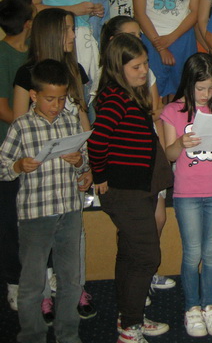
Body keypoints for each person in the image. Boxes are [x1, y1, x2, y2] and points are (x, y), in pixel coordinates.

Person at [87, 34, 173, 342]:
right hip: (126, 191)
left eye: (145, 64)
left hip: (140, 187)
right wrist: (99, 175)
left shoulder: (130, 94)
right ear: (117, 67)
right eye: (136, 66)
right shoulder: (116, 98)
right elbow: (97, 141)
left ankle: (129, 317)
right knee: (147, 255)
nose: (143, 71)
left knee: (129, 253)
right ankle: (130, 328)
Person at [1, 60, 87, 343]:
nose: (56, 105)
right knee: (33, 282)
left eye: (61, 99)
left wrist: (79, 162)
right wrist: (18, 166)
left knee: (70, 279)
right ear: (34, 95)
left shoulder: (70, 121)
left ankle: (68, 334)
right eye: (50, 99)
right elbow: (3, 166)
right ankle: (32, 335)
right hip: (35, 215)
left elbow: (84, 163)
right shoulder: (21, 126)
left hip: (69, 210)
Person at [162, 53, 212, 337]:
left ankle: (209, 305)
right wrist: (181, 142)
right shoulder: (173, 110)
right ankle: (192, 307)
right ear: (188, 84)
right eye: (200, 88)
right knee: (192, 252)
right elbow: (169, 155)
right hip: (187, 193)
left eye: (211, 88)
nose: (206, 94)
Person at [0, 0, 34, 313]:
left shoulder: (33, 52)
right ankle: (13, 281)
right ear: (26, 24)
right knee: (10, 220)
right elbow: (4, 109)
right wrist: (31, 128)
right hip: (8, 151)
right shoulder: (2, 55)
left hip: (36, 152)